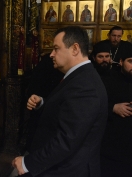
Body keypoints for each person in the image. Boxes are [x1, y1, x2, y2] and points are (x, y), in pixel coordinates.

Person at [12, 26, 108, 177]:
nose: (51, 54)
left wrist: (28, 163)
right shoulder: (78, 77)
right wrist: (43, 103)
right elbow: (69, 110)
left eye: (56, 48)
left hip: (68, 170)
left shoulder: (85, 86)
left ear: (75, 49)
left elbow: (67, 140)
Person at [100, 49, 132, 177]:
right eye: (130, 62)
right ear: (121, 61)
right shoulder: (107, 80)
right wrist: (113, 108)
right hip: (113, 148)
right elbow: (94, 106)